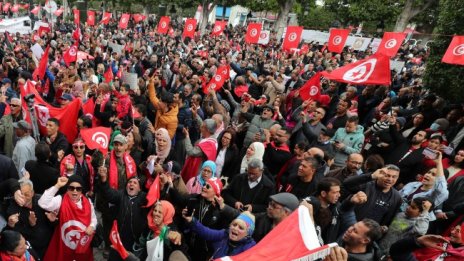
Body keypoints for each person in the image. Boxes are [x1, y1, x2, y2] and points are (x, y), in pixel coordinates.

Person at [38, 176, 97, 261]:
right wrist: (57, 186)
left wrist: (92, 226)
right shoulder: (60, 200)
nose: (74, 191)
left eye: (78, 189)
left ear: (82, 190)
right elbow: (43, 203)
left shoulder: (88, 201)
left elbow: (93, 219)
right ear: (67, 189)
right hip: (63, 245)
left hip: (83, 246)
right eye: (71, 188)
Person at [97, 169, 149, 261]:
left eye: (135, 183)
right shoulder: (121, 194)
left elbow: (155, 198)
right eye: (130, 182)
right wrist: (104, 180)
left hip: (134, 241)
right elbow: (108, 193)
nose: (131, 184)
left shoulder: (144, 197)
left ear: (139, 189)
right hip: (118, 239)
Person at [6, 179, 55, 259]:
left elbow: (54, 225)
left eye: (27, 194)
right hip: (34, 251)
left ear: (32, 193)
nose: (23, 198)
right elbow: (18, 238)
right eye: (21, 195)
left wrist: (53, 221)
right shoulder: (12, 210)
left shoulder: (42, 201)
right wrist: (32, 225)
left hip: (50, 245)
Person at [182, 210, 256, 259]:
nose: (235, 228)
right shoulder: (225, 234)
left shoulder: (250, 247)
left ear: (248, 234)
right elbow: (207, 233)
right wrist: (192, 220)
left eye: (241, 228)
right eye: (234, 224)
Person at [400, 151, 448, 221]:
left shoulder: (436, 194)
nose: (428, 175)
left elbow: (441, 187)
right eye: (428, 172)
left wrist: (438, 163)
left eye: (434, 175)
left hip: (412, 222)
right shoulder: (412, 184)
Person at [390, 223, 464, 260]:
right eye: (454, 228)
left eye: (458, 231)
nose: (452, 232)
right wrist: (417, 241)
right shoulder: (439, 240)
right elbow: (397, 253)